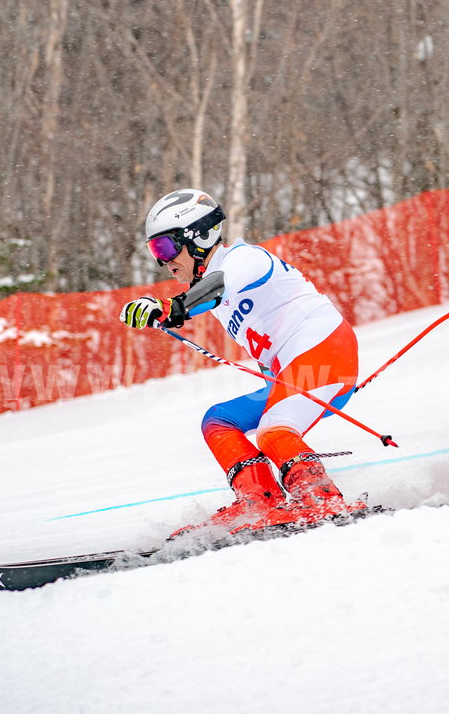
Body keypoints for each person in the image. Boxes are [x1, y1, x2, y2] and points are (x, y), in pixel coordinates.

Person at [119, 188, 363, 536]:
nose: (163, 260)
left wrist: (170, 308)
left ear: (199, 235)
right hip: (296, 374)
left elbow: (218, 286)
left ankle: (320, 498)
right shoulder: (214, 293)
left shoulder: (244, 260)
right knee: (219, 421)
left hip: (325, 353)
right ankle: (260, 499)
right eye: (154, 251)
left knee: (273, 430)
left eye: (166, 248)